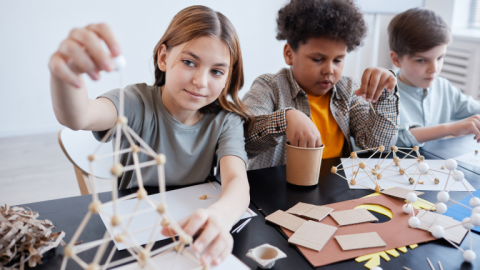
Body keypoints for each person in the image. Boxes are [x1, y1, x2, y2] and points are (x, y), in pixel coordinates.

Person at [49, 5, 251, 266]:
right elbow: (80, 116)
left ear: (228, 76)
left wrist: (221, 217)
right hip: (134, 235)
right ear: (163, 58)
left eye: (216, 71)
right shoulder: (136, 103)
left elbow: (237, 181)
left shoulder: (226, 120)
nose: (201, 81)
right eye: (189, 62)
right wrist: (66, 74)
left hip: (190, 234)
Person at [243, 0, 399, 170]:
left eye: (338, 60)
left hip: (334, 189)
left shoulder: (347, 89)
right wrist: (285, 119)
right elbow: (244, 140)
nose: (329, 70)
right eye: (318, 59)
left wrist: (385, 93)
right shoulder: (269, 87)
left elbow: (376, 146)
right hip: (276, 191)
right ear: (289, 54)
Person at [390, 8, 480, 147]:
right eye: (421, 60)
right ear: (396, 59)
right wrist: (449, 129)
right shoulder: (384, 94)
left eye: (440, 58)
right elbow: (389, 140)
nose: (434, 69)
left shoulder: (444, 87)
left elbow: (475, 109)